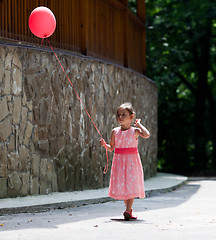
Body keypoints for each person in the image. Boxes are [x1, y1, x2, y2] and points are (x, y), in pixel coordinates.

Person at [100, 102, 150, 220]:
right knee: (123, 185)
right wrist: (104, 145)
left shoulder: (135, 131)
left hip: (132, 161)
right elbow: (111, 148)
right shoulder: (115, 131)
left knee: (131, 185)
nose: (120, 117)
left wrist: (139, 125)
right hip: (119, 162)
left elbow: (147, 135)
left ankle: (128, 210)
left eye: (124, 115)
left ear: (131, 117)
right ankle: (129, 210)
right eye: (118, 115)